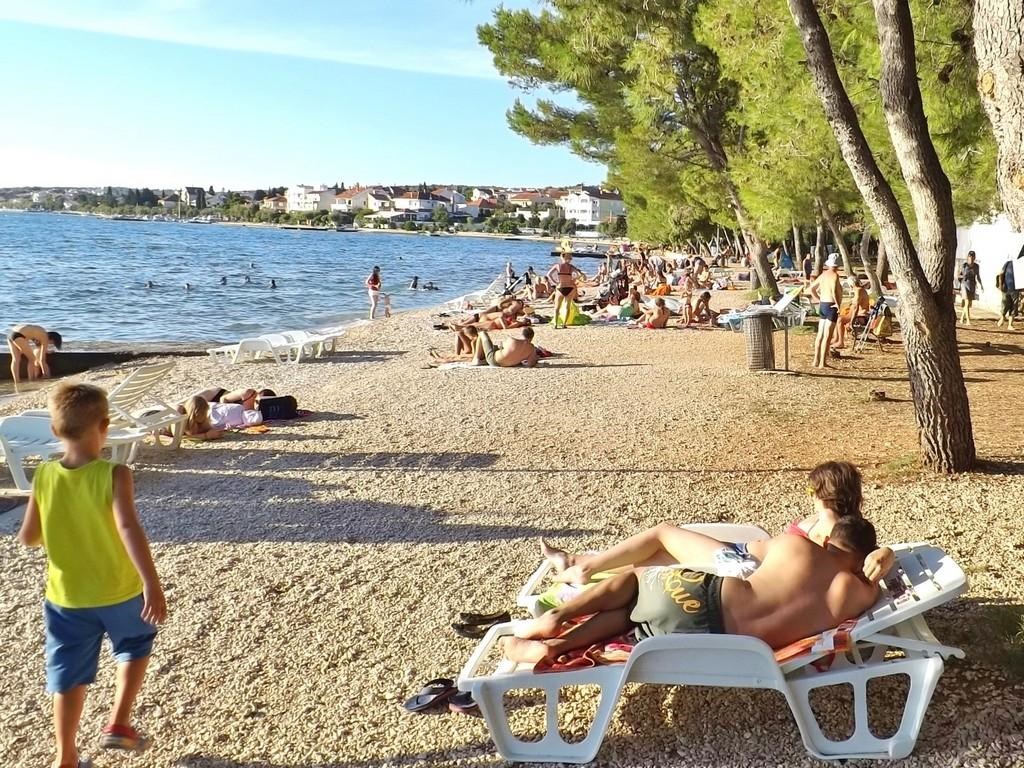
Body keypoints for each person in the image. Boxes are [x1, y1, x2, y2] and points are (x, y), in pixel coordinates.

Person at [17, 383, 166, 767]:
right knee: (134, 646)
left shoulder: (44, 476)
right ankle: (118, 722)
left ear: (54, 430)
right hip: (118, 589)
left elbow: (29, 536)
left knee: (67, 674)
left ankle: (65, 756)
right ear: (105, 425)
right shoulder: (116, 473)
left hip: (66, 597)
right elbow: (128, 528)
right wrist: (151, 582)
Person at [505, 517, 880, 664]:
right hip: (718, 640)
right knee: (633, 614)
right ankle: (554, 647)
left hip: (704, 597)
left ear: (827, 538)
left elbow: (737, 555)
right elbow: (876, 579)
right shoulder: (858, 593)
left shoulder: (795, 545)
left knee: (639, 579)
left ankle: (557, 617)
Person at [540, 460, 893, 586]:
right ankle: (578, 567)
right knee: (657, 559)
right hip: (740, 555)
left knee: (663, 532)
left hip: (744, 567)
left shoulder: (843, 534)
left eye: (810, 487)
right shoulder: (830, 522)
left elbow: (874, 559)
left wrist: (886, 553)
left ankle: (581, 570)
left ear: (823, 491)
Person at [809, 254, 843, 368]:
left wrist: (818, 299)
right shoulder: (835, 276)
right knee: (827, 336)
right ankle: (822, 362)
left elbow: (812, 288)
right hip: (831, 305)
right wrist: (838, 305)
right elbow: (834, 290)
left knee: (820, 334)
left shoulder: (823, 275)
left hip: (823, 305)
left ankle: (815, 360)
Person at [547, 253, 587, 330]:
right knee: (567, 307)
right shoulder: (571, 267)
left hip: (560, 286)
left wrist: (555, 282)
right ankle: (564, 324)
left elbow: (549, 275)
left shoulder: (557, 266)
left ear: (562, 257)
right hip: (570, 287)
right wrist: (573, 279)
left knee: (557, 307)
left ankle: (555, 324)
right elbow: (579, 274)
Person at [474, 326, 539, 368]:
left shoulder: (512, 340)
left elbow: (501, 346)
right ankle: (481, 358)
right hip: (511, 364)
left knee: (482, 333)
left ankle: (476, 359)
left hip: (494, 360)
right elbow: (530, 364)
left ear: (522, 334)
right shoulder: (532, 348)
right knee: (495, 347)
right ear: (531, 337)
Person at [837, 276, 870, 349]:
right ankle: (837, 339)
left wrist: (852, 321)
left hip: (861, 316)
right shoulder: (860, 290)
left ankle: (840, 341)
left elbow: (855, 308)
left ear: (851, 285)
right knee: (837, 317)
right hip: (859, 314)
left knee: (840, 320)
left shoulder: (859, 291)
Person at [958, 251, 982, 325]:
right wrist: (963, 277)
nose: (971, 258)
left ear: (974, 258)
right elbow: (958, 275)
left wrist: (981, 284)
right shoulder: (964, 265)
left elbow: (978, 276)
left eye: (972, 257)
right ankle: (968, 320)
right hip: (964, 284)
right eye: (969, 257)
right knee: (967, 301)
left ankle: (962, 318)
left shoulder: (976, 266)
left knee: (968, 304)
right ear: (967, 257)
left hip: (972, 285)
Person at [997, 258, 1017, 330]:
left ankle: (1010, 325)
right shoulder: (1008, 263)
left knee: (1013, 306)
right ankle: (1002, 318)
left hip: (1016, 289)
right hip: (1006, 288)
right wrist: (1000, 285)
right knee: (1005, 304)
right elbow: (1001, 274)